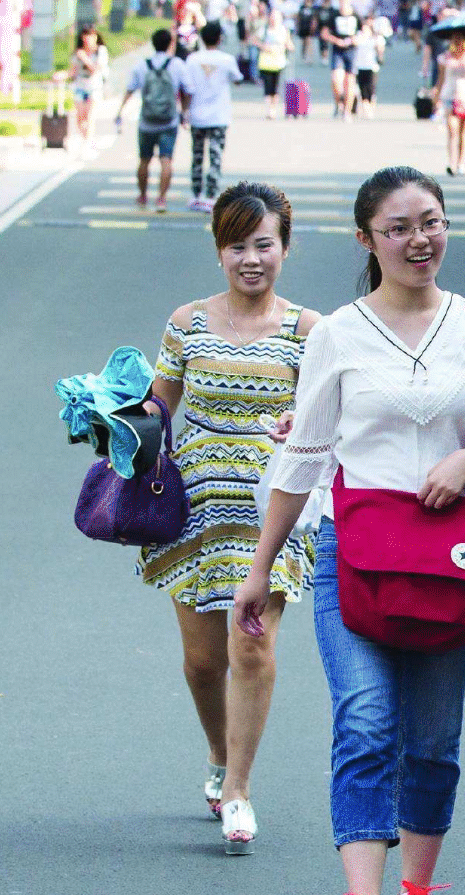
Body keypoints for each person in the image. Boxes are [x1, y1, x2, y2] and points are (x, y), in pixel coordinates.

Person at [236, 165, 465, 895]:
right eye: (398, 228)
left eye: (430, 222)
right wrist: (260, 570)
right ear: (367, 239)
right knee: (366, 720)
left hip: (450, 559)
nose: (418, 240)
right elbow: (302, 456)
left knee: (432, 738)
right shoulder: (337, 331)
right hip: (354, 554)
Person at [140, 182, 321, 856]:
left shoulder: (310, 330)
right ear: (219, 249)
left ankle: (240, 788)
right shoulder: (186, 322)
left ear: (284, 248)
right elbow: (159, 407)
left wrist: (304, 420)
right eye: (237, 245)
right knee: (201, 661)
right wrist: (116, 420)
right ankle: (220, 756)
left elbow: (335, 416)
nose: (251, 258)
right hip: (194, 503)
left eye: (264, 245)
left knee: (252, 645)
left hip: (272, 504)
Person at [116, 28, 191, 213]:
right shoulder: (177, 65)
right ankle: (161, 199)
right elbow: (188, 89)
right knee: (166, 160)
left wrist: (120, 111)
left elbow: (130, 89)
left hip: (146, 122)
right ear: (170, 44)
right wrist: (185, 112)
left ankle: (142, 196)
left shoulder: (142, 65)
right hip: (169, 121)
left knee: (144, 160)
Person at [184, 22, 243, 213]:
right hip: (219, 116)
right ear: (219, 38)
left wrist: (184, 111)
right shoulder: (226, 60)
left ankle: (195, 194)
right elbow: (238, 79)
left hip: (197, 114)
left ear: (201, 38)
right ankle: (211, 196)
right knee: (215, 156)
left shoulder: (192, 59)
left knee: (197, 155)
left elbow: (187, 87)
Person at [435, 30, 465, 175]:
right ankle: (451, 162)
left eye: (460, 39)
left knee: (463, 132)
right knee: (452, 130)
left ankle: (461, 163)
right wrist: (436, 96)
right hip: (449, 95)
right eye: (454, 39)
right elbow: (440, 78)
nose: (457, 42)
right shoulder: (444, 58)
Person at [69, 26, 110, 156]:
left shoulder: (100, 51)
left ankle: (87, 143)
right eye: (86, 36)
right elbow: (73, 72)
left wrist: (84, 58)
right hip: (80, 87)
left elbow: (95, 69)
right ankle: (87, 140)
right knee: (80, 118)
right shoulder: (78, 52)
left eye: (91, 35)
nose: (89, 39)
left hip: (94, 88)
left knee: (90, 117)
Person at [322, 0, 360, 119]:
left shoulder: (355, 15)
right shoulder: (334, 15)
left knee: (349, 81)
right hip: (337, 50)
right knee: (336, 80)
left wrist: (355, 39)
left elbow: (365, 31)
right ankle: (339, 102)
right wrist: (336, 41)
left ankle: (347, 111)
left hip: (351, 50)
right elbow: (324, 33)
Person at [257, 7, 296, 119]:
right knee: (267, 87)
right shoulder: (264, 29)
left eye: (276, 17)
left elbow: (289, 44)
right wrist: (263, 46)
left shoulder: (284, 30)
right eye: (272, 17)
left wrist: (289, 47)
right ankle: (270, 109)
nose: (273, 19)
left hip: (279, 62)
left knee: (276, 87)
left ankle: (273, 108)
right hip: (265, 62)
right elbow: (254, 40)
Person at [350, 14, 387, 118]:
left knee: (371, 88)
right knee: (362, 89)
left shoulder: (377, 37)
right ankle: (366, 109)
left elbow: (380, 49)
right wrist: (364, 35)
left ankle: (371, 107)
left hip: (372, 67)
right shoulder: (358, 35)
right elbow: (354, 42)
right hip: (359, 66)